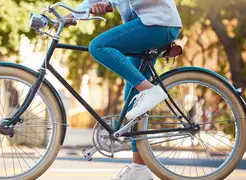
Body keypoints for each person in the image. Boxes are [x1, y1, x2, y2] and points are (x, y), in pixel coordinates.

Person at [63, 0, 182, 179]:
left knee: (98, 46)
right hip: (150, 23)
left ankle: (150, 91)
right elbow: (92, 2)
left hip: (157, 23)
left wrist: (109, 3)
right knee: (132, 99)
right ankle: (139, 169)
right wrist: (72, 15)